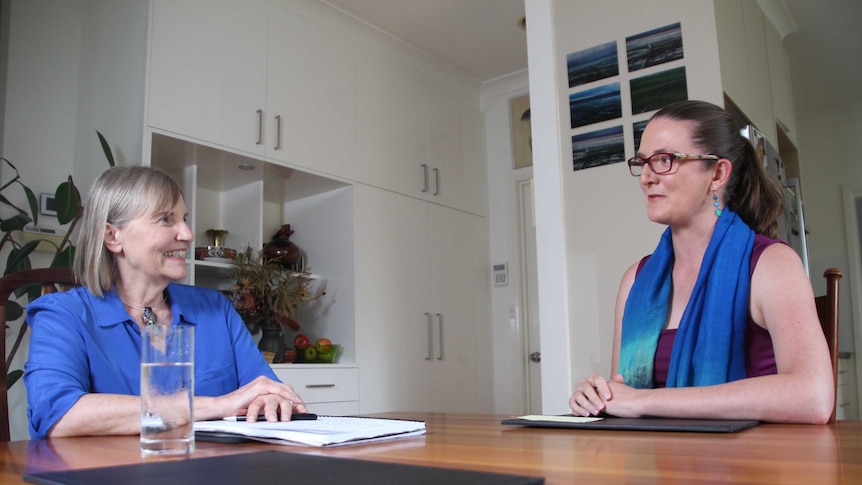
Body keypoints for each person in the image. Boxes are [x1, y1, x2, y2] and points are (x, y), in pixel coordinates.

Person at [568, 100, 834, 424]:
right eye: (642, 162)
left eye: (664, 160)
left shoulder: (771, 265)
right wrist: (600, 397)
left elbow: (814, 396)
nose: (646, 178)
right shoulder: (634, 281)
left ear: (718, 173)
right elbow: (626, 400)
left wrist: (646, 401)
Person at [25, 165, 307, 439]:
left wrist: (271, 401)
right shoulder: (62, 315)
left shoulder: (215, 309)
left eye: (184, 219)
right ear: (113, 236)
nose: (186, 234)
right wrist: (215, 405)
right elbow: (57, 413)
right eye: (166, 219)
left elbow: (265, 389)